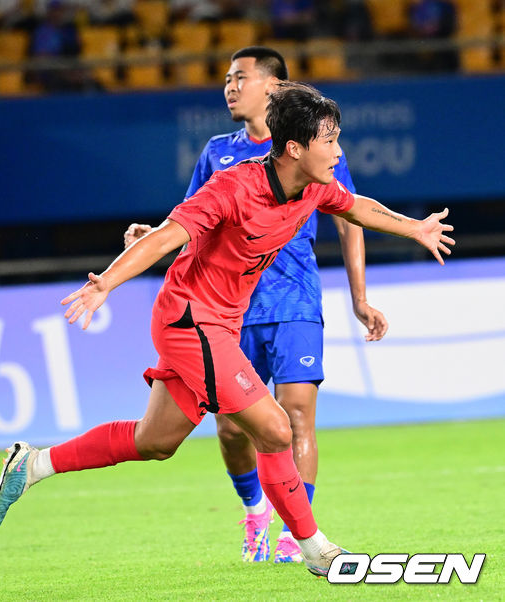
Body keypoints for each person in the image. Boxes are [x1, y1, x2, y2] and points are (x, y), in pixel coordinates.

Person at [0, 82, 455, 580]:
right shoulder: (233, 186)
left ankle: (33, 464)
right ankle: (314, 547)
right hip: (190, 320)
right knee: (276, 429)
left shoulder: (314, 186)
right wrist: (107, 281)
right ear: (295, 148)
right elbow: (170, 235)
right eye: (330, 140)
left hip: (219, 324)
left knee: (156, 440)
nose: (339, 150)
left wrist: (415, 228)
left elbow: (357, 206)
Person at [124, 46, 388, 565]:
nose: (228, 86)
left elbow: (351, 216)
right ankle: (255, 512)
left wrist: (359, 298)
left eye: (238, 77)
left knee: (296, 418)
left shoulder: (316, 145)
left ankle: (297, 536)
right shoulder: (217, 153)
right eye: (225, 77)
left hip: (294, 300)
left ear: (272, 88)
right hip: (226, 311)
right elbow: (190, 222)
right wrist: (152, 237)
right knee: (230, 428)